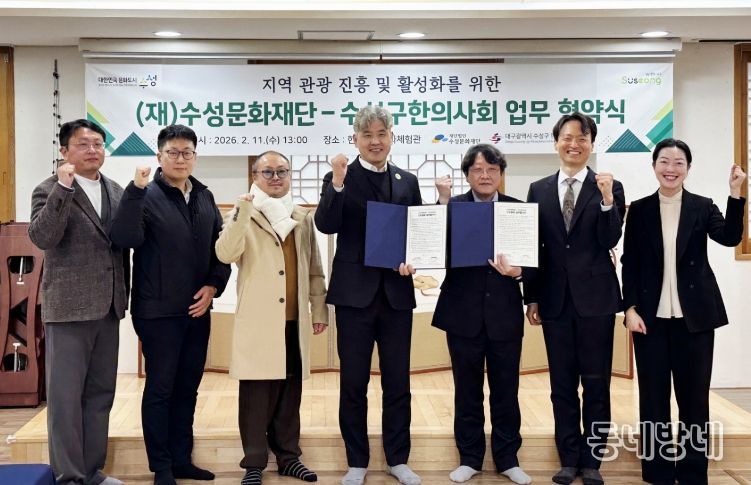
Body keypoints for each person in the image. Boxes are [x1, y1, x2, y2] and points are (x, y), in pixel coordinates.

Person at [109, 124, 231, 485]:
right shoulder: (144, 195)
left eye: (187, 153)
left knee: (188, 388)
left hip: (198, 309)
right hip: (158, 312)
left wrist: (213, 286)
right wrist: (135, 190)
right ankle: (161, 467)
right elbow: (124, 237)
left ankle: (181, 460)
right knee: (161, 389)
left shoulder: (204, 196)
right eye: (173, 152)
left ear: (195, 156)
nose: (181, 159)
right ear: (159, 156)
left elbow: (221, 249)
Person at [621, 139, 746, 485]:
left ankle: (692, 472)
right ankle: (657, 471)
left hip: (696, 320)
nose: (671, 168)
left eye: (679, 163)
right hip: (649, 320)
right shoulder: (640, 209)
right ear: (654, 166)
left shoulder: (702, 206)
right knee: (653, 399)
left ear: (688, 169)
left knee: (694, 400)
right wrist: (629, 307)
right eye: (664, 161)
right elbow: (630, 262)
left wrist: (735, 194)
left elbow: (730, 237)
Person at [314, 105, 422, 485]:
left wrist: (413, 260)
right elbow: (326, 224)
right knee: (353, 383)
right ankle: (356, 461)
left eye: (381, 134)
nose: (375, 141)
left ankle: (398, 459)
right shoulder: (340, 177)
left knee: (398, 382)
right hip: (354, 297)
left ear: (392, 136)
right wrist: (337, 182)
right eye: (367, 135)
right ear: (355, 139)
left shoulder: (407, 180)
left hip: (396, 296)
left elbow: (417, 235)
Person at [215, 151, 328, 485]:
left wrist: (319, 309)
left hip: (294, 319)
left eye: (282, 171)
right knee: (256, 394)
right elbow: (225, 253)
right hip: (259, 320)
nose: (276, 177)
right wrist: (242, 211)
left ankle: (289, 457)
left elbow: (315, 269)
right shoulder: (242, 213)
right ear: (255, 176)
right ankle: (253, 463)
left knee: (290, 392)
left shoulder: (302, 217)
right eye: (268, 172)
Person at [525, 112, 625, 485]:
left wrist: (606, 199)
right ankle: (568, 458)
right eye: (567, 137)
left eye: (582, 138)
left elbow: (610, 239)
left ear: (591, 144)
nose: (574, 144)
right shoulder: (538, 189)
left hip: (596, 302)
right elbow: (533, 248)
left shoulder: (609, 187)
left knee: (596, 384)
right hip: (554, 301)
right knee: (562, 385)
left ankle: (593, 460)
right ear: (556, 143)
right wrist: (531, 297)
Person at [28, 119, 129, 485]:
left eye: (98, 144)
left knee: (100, 394)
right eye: (83, 144)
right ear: (64, 151)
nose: (92, 150)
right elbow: (43, 237)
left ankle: (91, 471)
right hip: (69, 310)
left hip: (109, 307)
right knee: (66, 400)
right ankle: (69, 476)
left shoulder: (116, 190)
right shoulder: (48, 189)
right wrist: (63, 188)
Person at [431, 144, 532, 485]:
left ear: (501, 173)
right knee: (466, 391)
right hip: (462, 314)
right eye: (477, 169)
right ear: (467, 175)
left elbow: (536, 262)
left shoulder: (518, 210)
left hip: (504, 314)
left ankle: (508, 458)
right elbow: (435, 247)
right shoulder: (452, 207)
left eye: (491, 169)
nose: (485, 175)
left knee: (506, 391)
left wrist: (519, 272)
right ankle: (470, 458)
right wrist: (443, 201)